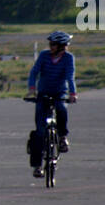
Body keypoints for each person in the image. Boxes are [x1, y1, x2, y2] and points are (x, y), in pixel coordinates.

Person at [25, 30, 78, 178]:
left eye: (53, 44)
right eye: (50, 44)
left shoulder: (68, 58)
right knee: (40, 132)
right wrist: (31, 89)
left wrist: (72, 94)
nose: (51, 46)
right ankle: (37, 166)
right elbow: (34, 72)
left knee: (61, 108)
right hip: (43, 93)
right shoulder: (44, 55)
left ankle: (62, 137)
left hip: (59, 93)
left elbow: (69, 76)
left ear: (62, 46)